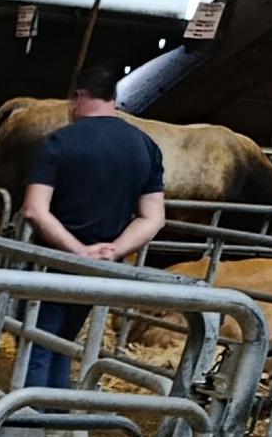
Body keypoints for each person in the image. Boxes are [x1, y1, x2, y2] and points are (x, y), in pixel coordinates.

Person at [20, 64, 167, 392]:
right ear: (114, 98)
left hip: (53, 262)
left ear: (79, 97)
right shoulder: (145, 146)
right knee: (63, 343)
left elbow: (34, 209)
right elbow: (154, 217)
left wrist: (78, 251)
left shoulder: (59, 141)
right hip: (101, 269)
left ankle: (27, 425)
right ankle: (52, 422)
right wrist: (113, 250)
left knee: (38, 342)